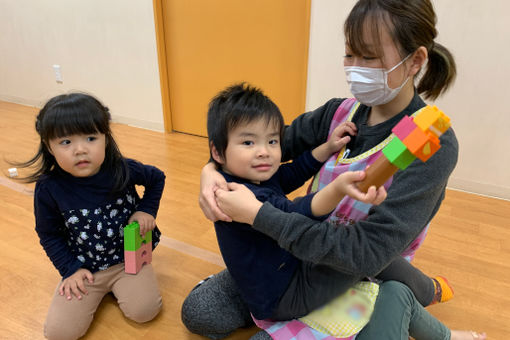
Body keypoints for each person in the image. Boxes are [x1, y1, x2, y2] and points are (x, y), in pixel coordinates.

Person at [183, 0, 486, 339]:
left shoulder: (433, 145)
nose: (355, 68)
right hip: (295, 244)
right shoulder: (339, 114)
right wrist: (211, 169)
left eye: (369, 57)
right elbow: (258, 143)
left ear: (414, 60)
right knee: (200, 311)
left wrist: (259, 216)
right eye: (349, 55)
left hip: (348, 263)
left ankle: (404, 297)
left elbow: (367, 252)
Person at [206, 82, 450, 323]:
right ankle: (429, 293)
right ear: (217, 152)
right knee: (363, 257)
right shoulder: (237, 196)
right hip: (286, 294)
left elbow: (293, 172)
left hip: (292, 262)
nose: (264, 152)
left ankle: (425, 290)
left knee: (367, 252)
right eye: (249, 143)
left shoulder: (251, 177)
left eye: (272, 141)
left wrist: (327, 148)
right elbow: (295, 212)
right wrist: (338, 189)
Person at [14, 93, 165, 340]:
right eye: (65, 142)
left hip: (128, 260)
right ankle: (102, 289)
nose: (80, 149)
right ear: (48, 145)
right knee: (59, 334)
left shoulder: (121, 168)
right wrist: (70, 269)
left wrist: (146, 209)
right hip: (84, 268)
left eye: (91, 138)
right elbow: (48, 234)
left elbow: (157, 178)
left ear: (106, 138)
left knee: (145, 311)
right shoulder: (49, 188)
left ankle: (120, 287)